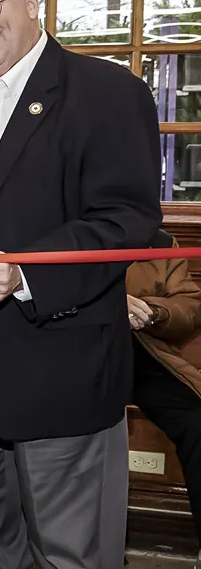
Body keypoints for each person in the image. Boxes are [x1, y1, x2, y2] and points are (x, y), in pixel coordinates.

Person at [0, 0, 161, 569]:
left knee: (70, 545)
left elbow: (126, 222)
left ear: (32, 3)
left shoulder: (106, 92)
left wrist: (29, 271)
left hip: (55, 348)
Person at [126, 229, 201, 566]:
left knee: (197, 421)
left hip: (145, 351)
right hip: (75, 354)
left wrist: (153, 311)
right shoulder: (64, 225)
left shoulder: (159, 242)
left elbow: (190, 308)